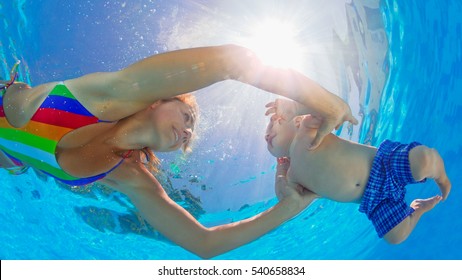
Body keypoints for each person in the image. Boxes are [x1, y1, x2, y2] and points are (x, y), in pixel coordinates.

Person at [1, 44, 351, 258]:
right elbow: (231, 61)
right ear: (157, 101)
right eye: (186, 117)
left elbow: (204, 244)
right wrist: (322, 102)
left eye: (188, 136)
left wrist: (289, 206)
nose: (185, 132)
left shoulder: (129, 177)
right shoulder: (108, 94)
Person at [264, 98, 451, 244]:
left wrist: (296, 107)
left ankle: (442, 178)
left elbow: (326, 110)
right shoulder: (292, 175)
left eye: (274, 122)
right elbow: (285, 197)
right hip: (374, 202)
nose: (267, 133)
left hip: (383, 165)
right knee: (396, 236)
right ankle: (418, 208)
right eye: (266, 134)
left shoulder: (306, 130)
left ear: (296, 121)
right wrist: (280, 173)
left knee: (423, 161)